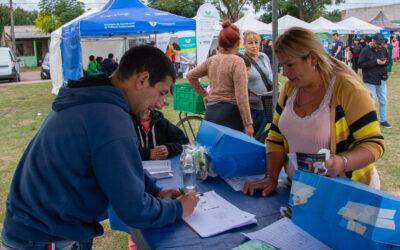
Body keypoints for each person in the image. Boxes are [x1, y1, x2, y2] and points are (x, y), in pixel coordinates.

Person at [1, 45, 199, 249]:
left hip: (36, 228)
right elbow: (134, 210)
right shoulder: (109, 117)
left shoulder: (93, 98)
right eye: (161, 93)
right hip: (45, 235)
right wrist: (178, 209)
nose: (159, 104)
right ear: (142, 80)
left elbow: (122, 166)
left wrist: (154, 190)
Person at [242, 27, 384, 197]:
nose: (285, 73)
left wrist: (342, 162)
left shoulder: (348, 90)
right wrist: (271, 176)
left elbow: (373, 144)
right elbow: (276, 137)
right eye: (282, 65)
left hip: (347, 196)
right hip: (301, 191)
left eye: (290, 65)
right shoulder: (290, 88)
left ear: (312, 59)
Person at [187, 20, 253, 137]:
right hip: (230, 113)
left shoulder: (212, 60)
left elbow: (190, 75)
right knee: (231, 153)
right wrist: (248, 123)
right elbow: (241, 95)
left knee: (211, 152)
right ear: (238, 42)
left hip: (211, 111)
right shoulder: (238, 61)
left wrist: (204, 94)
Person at [243, 30, 273, 137]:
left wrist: (273, 82)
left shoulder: (263, 57)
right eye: (250, 43)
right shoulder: (242, 60)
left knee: (259, 135)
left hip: (264, 104)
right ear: (244, 45)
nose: (254, 46)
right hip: (249, 106)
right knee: (248, 137)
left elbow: (269, 74)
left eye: (256, 43)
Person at [358, 33, 391, 129]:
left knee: (383, 100)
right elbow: (360, 64)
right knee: (370, 102)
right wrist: (375, 62)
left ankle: (383, 120)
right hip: (369, 79)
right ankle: (370, 121)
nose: (379, 45)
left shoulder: (383, 49)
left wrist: (385, 62)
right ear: (373, 41)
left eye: (381, 44)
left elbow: (388, 60)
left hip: (381, 78)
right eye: (378, 43)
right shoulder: (365, 50)